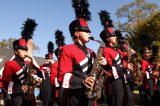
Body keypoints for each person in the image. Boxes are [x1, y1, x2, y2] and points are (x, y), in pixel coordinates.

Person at [2, 38, 41, 106]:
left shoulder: (27, 64)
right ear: (16, 51)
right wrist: (19, 87)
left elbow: (40, 74)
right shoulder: (10, 63)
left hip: (28, 96)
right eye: (22, 50)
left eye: (26, 50)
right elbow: (5, 82)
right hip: (17, 97)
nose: (25, 52)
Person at [40, 42, 54, 106]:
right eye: (46, 59)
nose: (47, 60)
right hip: (45, 84)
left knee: (51, 101)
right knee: (45, 101)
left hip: (51, 85)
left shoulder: (54, 66)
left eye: (49, 59)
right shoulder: (42, 66)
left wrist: (52, 65)